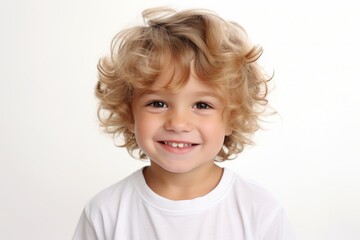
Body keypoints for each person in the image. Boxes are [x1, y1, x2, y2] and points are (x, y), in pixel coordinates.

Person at [73, 7, 296, 240]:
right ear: (129, 113)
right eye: (158, 103)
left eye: (202, 105)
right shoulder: (105, 212)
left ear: (232, 118)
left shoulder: (260, 210)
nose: (178, 123)